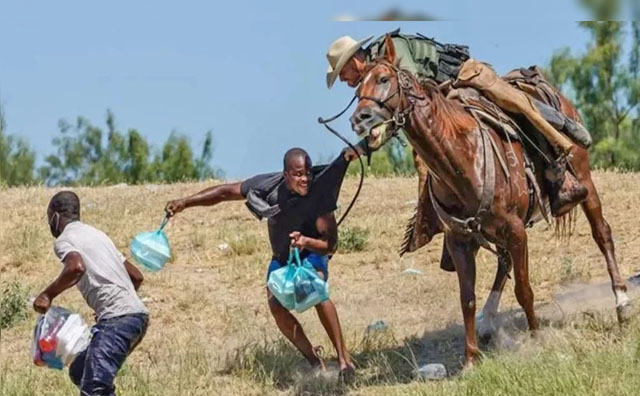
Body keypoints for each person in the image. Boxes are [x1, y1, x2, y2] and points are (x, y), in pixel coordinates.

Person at [325, 30, 591, 257]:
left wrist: (369, 142)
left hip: (463, 79)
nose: (344, 80)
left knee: (513, 106)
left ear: (354, 60)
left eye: (342, 73)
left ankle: (559, 160)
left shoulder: (391, 50)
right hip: (442, 101)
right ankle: (451, 224)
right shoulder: (372, 79)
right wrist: (364, 145)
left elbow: (412, 96)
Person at [165, 148, 359, 378]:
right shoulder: (268, 187)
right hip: (282, 258)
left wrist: (306, 241)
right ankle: (315, 361)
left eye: (308, 173)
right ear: (286, 175)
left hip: (312, 252)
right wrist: (185, 202)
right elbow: (225, 193)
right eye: (298, 174)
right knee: (276, 305)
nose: (305, 179)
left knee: (315, 289)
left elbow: (330, 245)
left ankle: (344, 361)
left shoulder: (319, 194)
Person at [34, 191, 149, 396]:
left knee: (93, 393)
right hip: (137, 317)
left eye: (48, 218)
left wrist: (47, 294)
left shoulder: (65, 239)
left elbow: (75, 267)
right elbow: (136, 276)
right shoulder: (98, 235)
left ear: (55, 215)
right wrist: (115, 302)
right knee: (80, 371)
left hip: (118, 319)